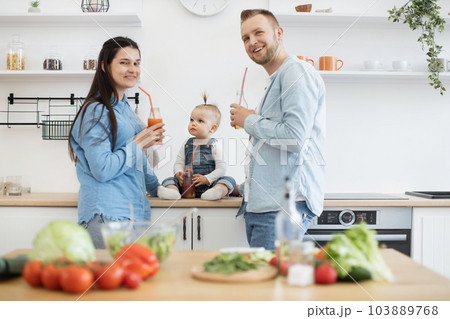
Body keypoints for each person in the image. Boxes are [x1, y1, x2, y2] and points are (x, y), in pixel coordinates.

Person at [68, 36, 179, 248]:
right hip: (107, 216)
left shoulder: (125, 109)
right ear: (104, 65)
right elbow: (102, 169)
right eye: (124, 62)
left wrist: (157, 188)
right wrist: (137, 144)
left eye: (137, 63)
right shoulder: (96, 111)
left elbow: (135, 160)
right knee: (109, 281)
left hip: (133, 215)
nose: (133, 69)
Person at [230, 9, 326, 249]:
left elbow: (294, 139)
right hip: (265, 207)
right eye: (245, 38)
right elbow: (274, 156)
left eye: (258, 32)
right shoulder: (276, 78)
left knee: (271, 285)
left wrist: (249, 120)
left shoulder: (296, 71)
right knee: (267, 283)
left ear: (279, 33)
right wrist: (243, 188)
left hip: (281, 209)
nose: (252, 42)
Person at [162, 95, 236, 200]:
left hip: (209, 185)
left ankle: (215, 192)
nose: (193, 124)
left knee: (228, 180)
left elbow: (221, 169)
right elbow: (179, 163)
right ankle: (173, 192)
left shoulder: (215, 144)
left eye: (200, 121)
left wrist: (207, 178)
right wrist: (179, 173)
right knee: (169, 180)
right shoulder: (187, 144)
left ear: (212, 128)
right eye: (192, 119)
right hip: (187, 187)